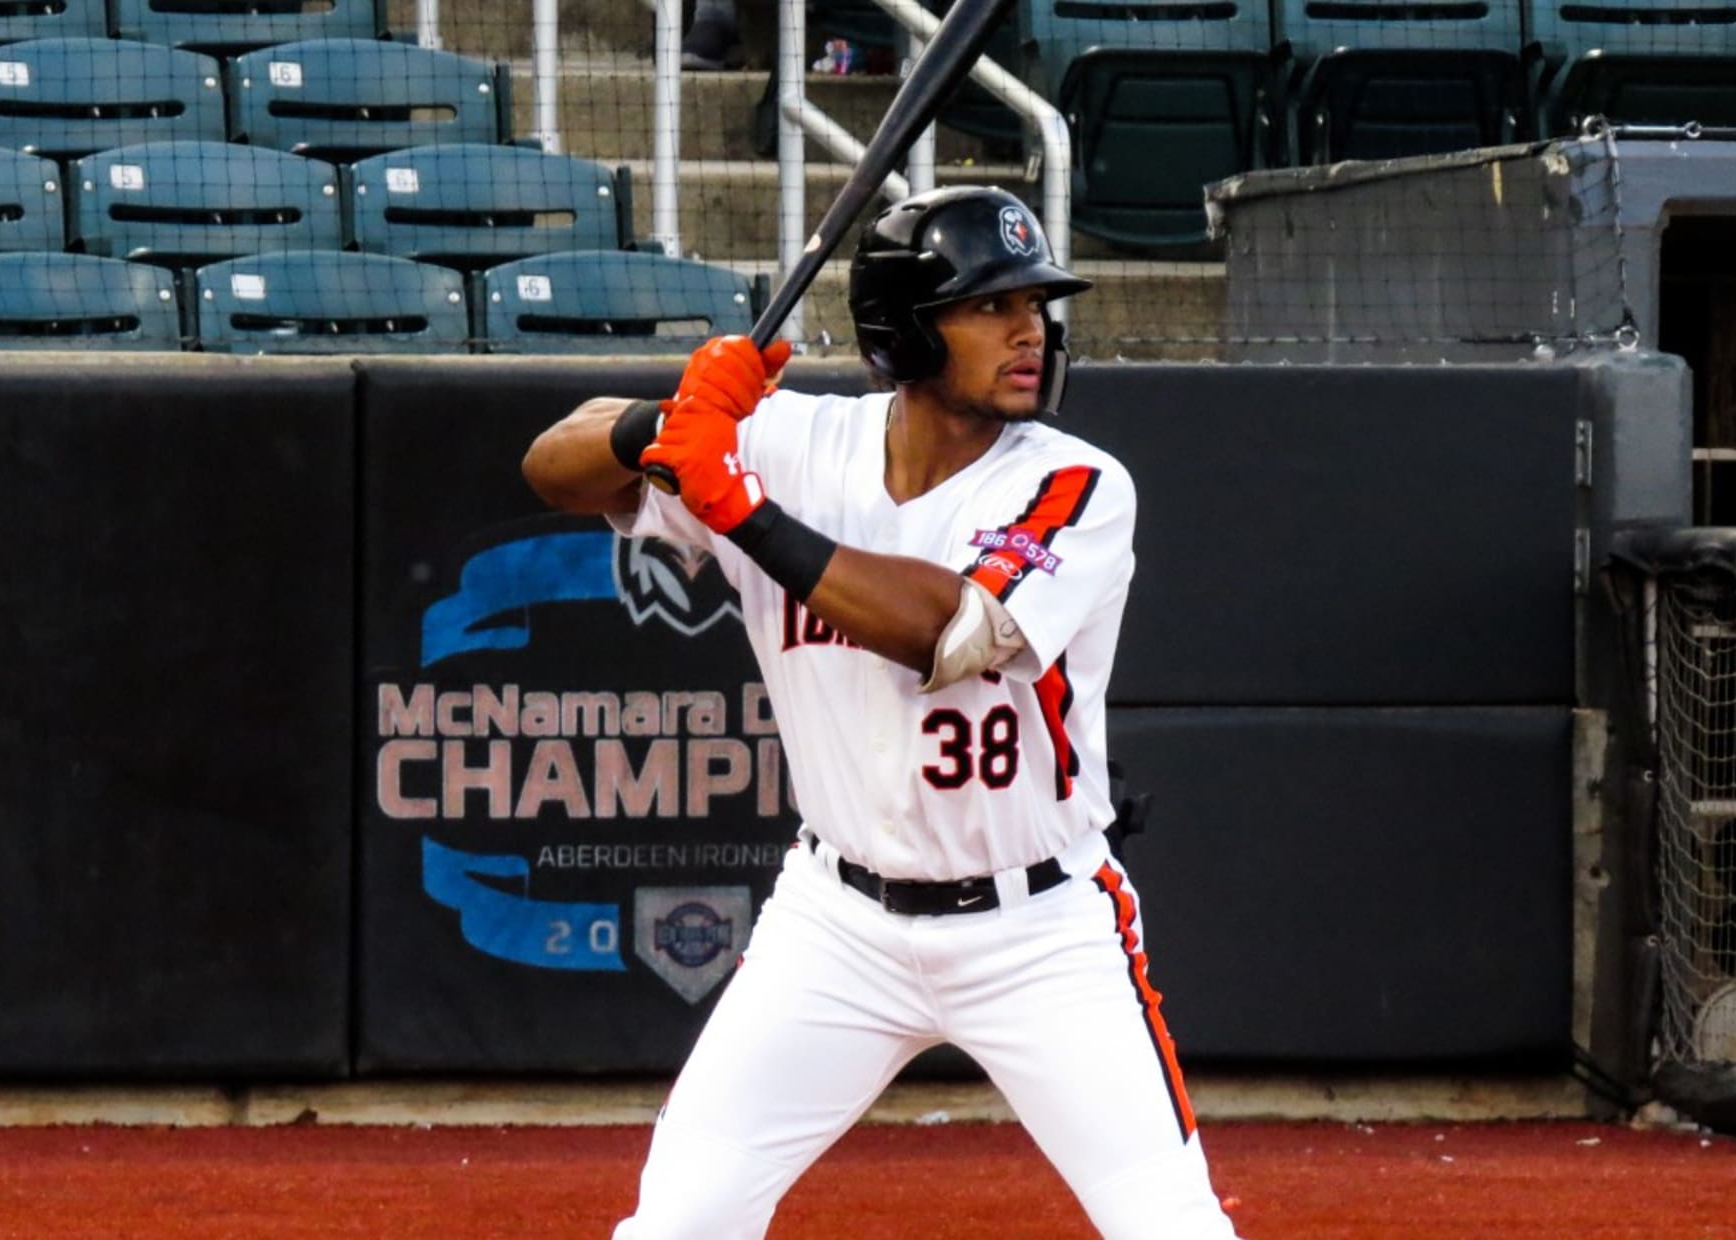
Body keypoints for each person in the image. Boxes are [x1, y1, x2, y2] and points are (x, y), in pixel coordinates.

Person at [522, 185, 1240, 1239]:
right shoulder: (791, 442)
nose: (1030, 328)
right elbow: (552, 468)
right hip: (837, 922)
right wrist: (660, 422)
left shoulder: (1079, 483)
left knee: (1170, 1225)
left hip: (1036, 929)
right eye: (991, 307)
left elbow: (945, 632)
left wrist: (738, 507)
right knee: (681, 1220)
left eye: (1037, 304)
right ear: (905, 331)